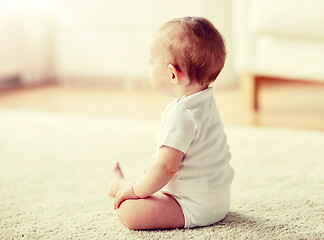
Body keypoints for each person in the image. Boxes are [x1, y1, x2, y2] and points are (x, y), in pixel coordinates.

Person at [107, 16, 234, 230]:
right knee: (151, 175)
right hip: (218, 202)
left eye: (151, 63)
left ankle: (121, 186)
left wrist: (136, 191)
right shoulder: (205, 101)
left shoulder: (181, 113)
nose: (149, 68)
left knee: (128, 210)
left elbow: (166, 166)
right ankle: (121, 184)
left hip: (191, 206)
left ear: (172, 74)